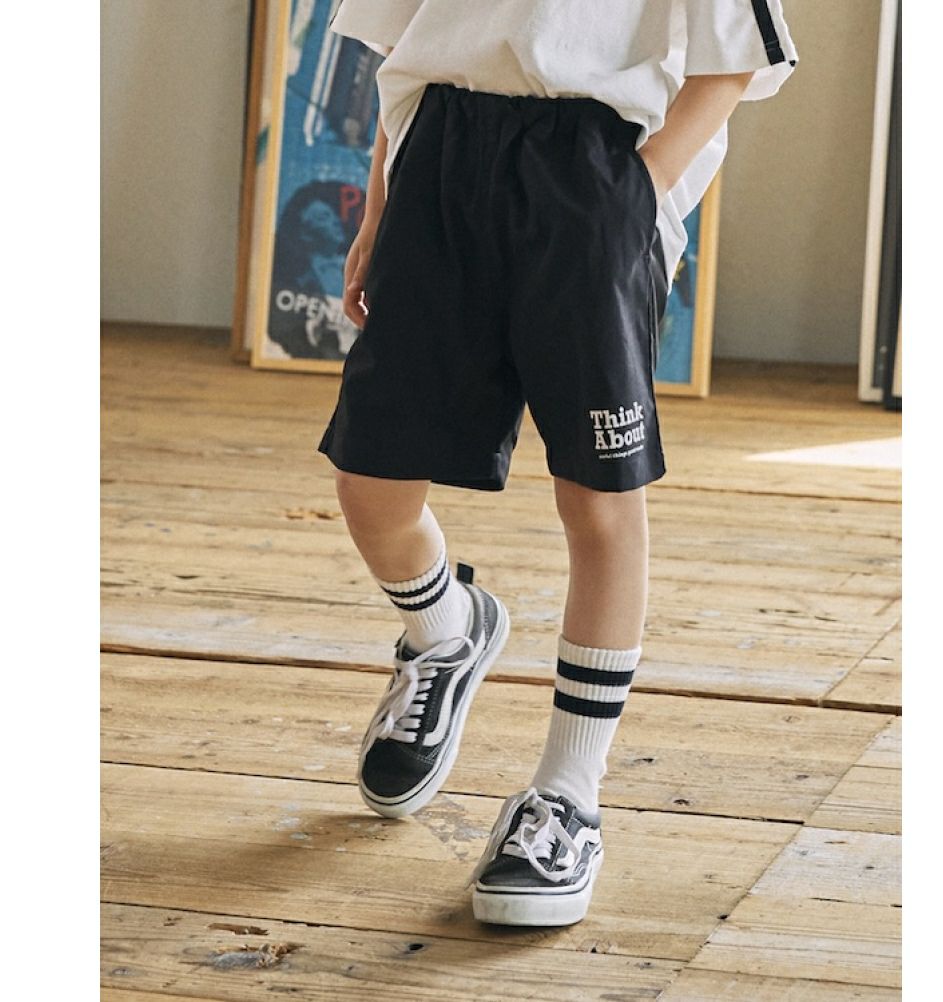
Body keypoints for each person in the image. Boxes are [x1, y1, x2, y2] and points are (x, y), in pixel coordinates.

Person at [317, 0, 799, 927]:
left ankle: (569, 795)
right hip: (441, 158)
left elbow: (736, 58)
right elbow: (400, 42)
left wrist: (634, 195)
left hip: (594, 168)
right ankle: (445, 630)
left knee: (599, 498)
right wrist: (380, 203)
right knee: (370, 477)